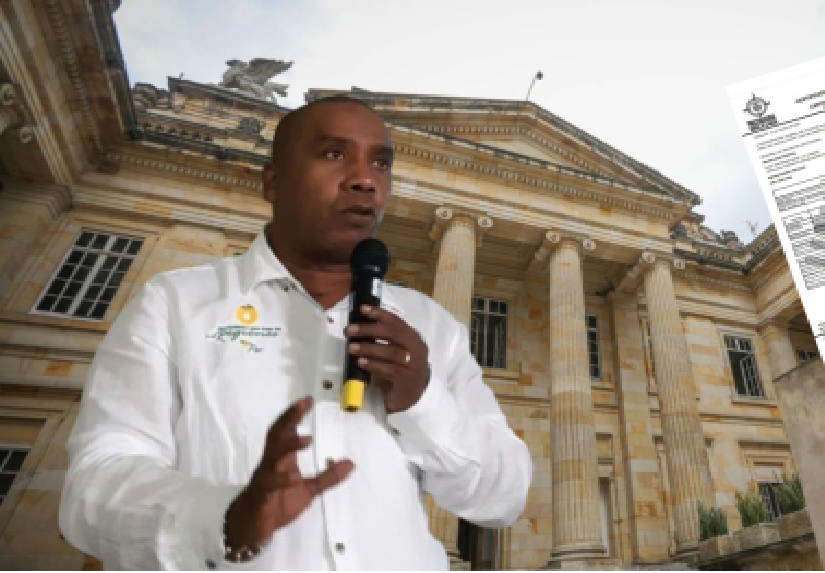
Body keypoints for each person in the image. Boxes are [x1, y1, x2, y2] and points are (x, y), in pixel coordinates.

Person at [58, 97, 532, 570]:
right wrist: (223, 516)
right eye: (334, 154)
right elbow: (95, 485)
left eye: (381, 163)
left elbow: (503, 497)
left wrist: (423, 401)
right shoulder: (176, 304)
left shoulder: (431, 325)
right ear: (273, 181)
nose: (364, 179)